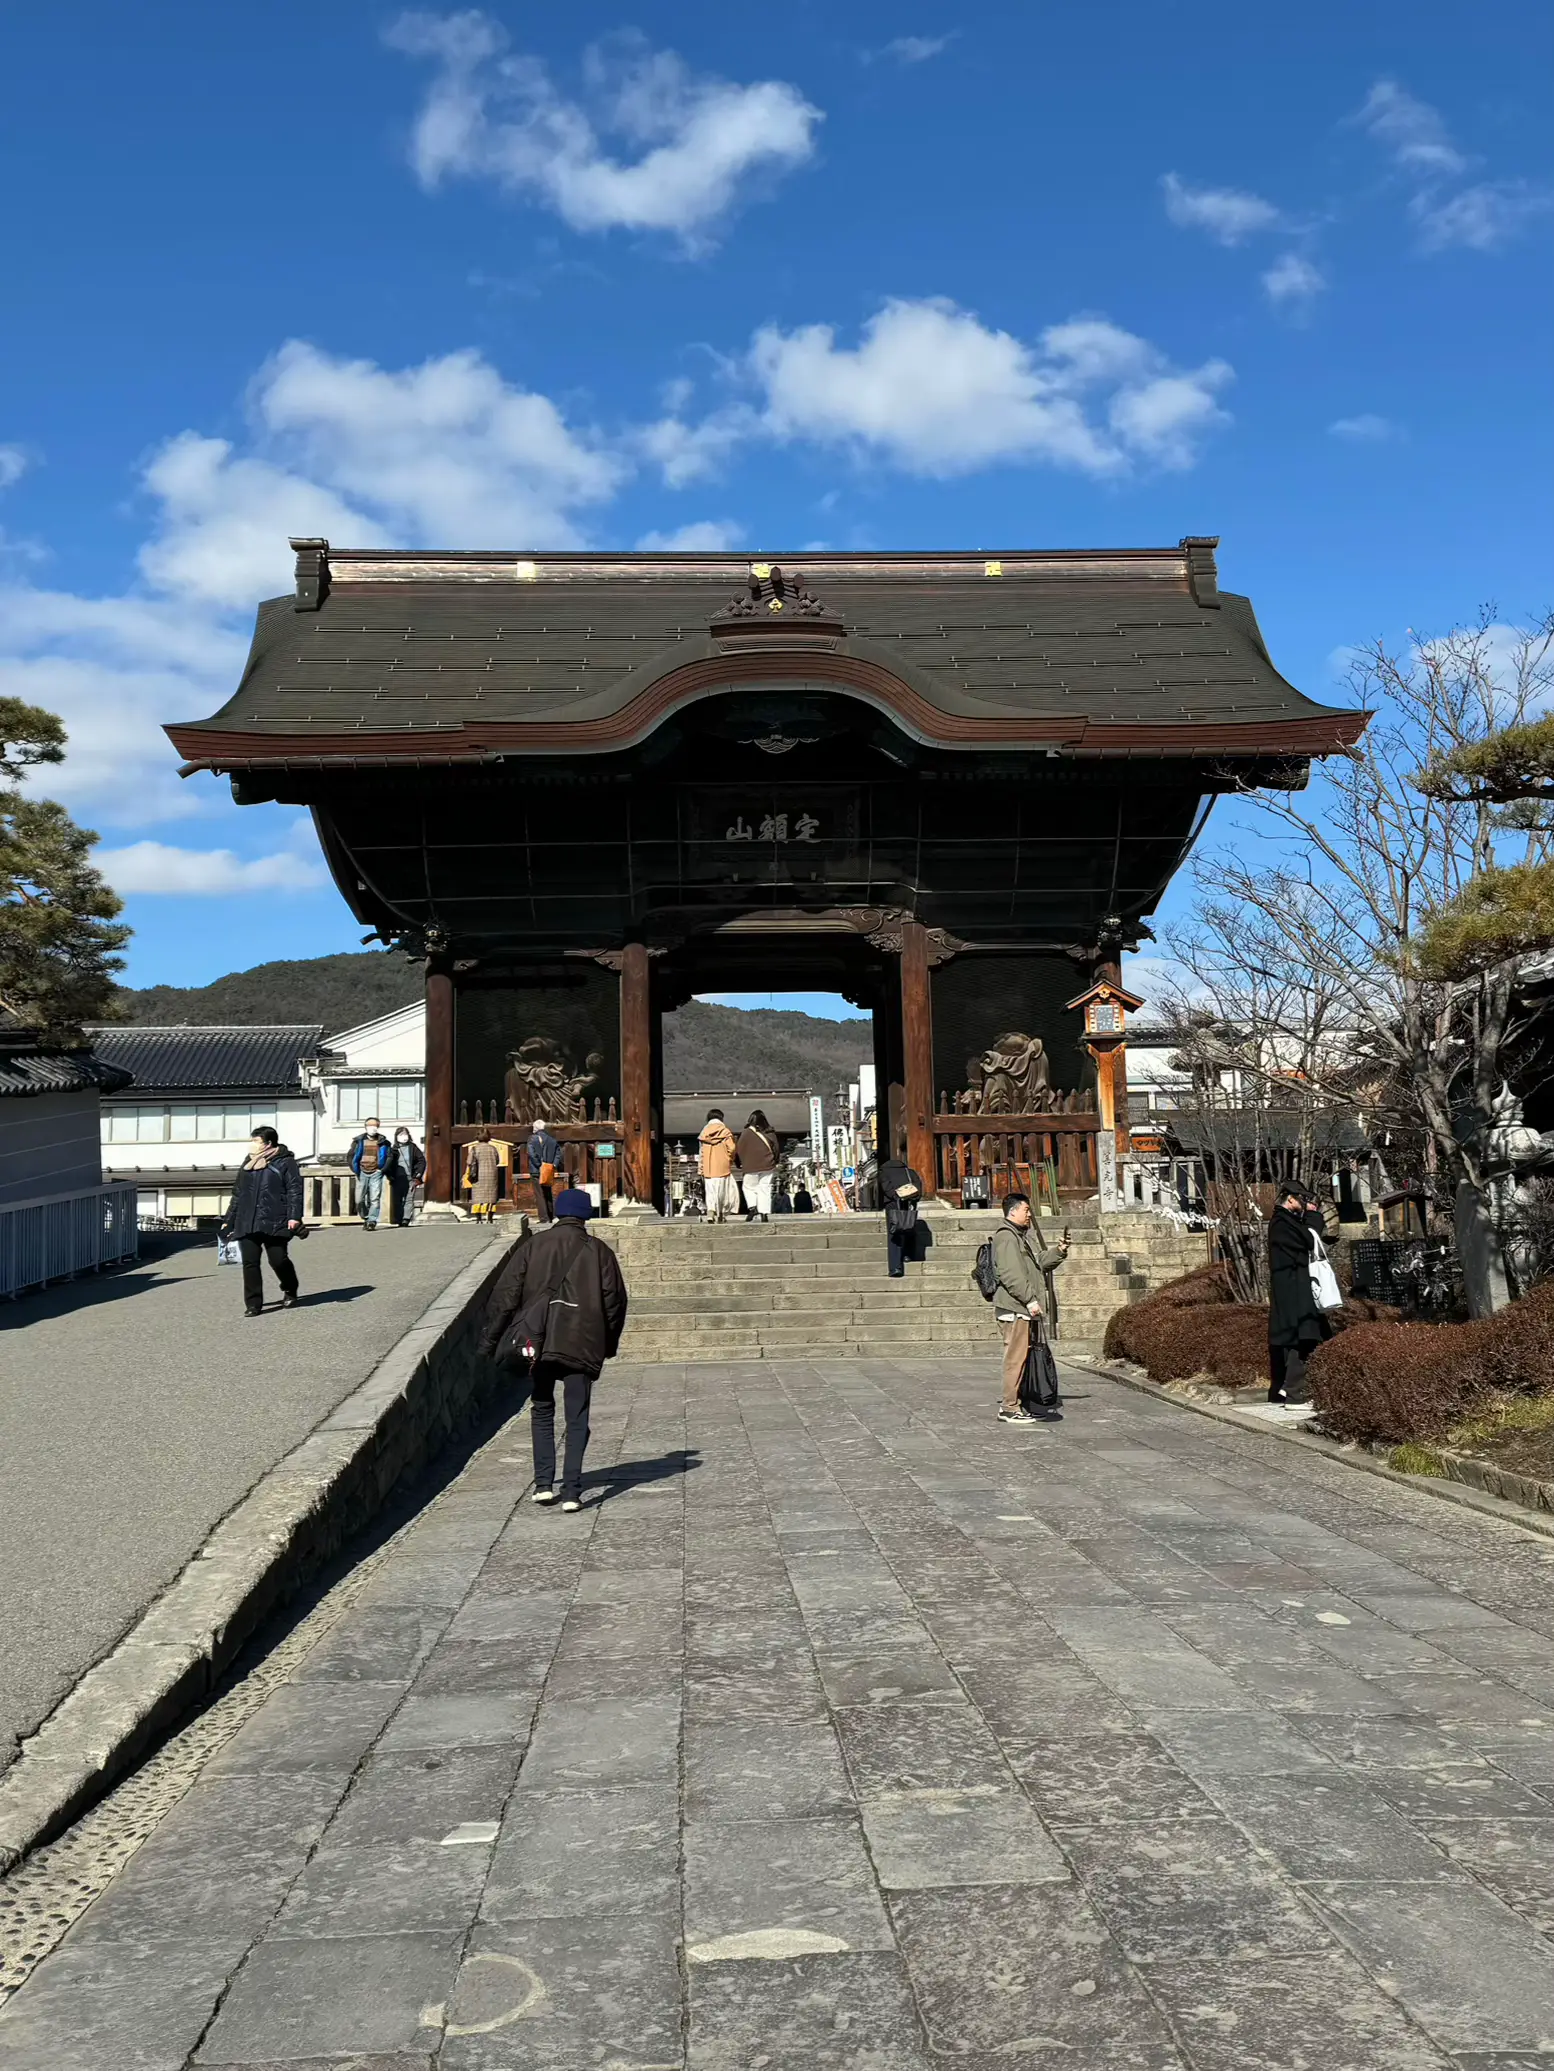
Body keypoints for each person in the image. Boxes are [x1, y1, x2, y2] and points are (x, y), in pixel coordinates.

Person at [480, 1186, 628, 1511]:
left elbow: (506, 1295)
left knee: (542, 1408)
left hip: (540, 1340)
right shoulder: (599, 1251)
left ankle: (544, 1484)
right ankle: (573, 1492)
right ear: (585, 1215)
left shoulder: (533, 1246)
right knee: (577, 1415)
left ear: (559, 1213)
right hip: (582, 1340)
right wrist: (608, 1343)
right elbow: (615, 1301)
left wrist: (490, 1341)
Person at [991, 1191, 1069, 1424]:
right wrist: (1029, 1300)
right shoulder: (1006, 1237)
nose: (1029, 1215)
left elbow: (1038, 1264)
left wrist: (1059, 1251)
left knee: (1022, 1357)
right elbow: (1010, 1274)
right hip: (1015, 1307)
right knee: (1015, 1358)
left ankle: (1019, 1403)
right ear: (1012, 1211)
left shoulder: (1021, 1237)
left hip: (1022, 1307)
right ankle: (1009, 1407)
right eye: (1026, 1210)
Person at [221, 1126, 303, 1318]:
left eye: (256, 1141)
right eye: (252, 1140)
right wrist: (228, 1220)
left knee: (278, 1260)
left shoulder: (285, 1162)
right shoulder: (247, 1163)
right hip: (247, 1220)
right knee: (250, 1263)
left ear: (268, 1143)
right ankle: (253, 1303)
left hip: (275, 1219)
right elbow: (238, 1193)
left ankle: (290, 1288)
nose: (252, 1144)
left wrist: (294, 1216)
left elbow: (294, 1190)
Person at [1268, 1181, 1328, 1406]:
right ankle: (1294, 1393)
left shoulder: (1286, 1221)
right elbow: (1309, 1240)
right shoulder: (1282, 1224)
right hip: (1293, 1291)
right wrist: (1313, 1218)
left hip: (1294, 1290)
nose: (1305, 1204)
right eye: (1302, 1199)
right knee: (1303, 1339)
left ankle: (1286, 1391)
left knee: (1302, 1338)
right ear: (1290, 1198)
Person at [876, 1143, 925, 1278]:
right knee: (909, 1227)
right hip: (909, 1203)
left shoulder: (883, 1172)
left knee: (894, 1233)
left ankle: (895, 1267)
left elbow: (886, 1189)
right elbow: (918, 1186)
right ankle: (909, 1254)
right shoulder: (909, 1172)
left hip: (893, 1204)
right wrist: (912, 1198)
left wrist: (896, 1196)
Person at [737, 1110, 781, 1221]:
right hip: (768, 1164)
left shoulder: (746, 1133)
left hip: (750, 1165)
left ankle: (753, 1207)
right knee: (765, 1188)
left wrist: (739, 1163)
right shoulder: (769, 1132)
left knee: (749, 1187)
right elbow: (776, 1149)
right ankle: (764, 1213)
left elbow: (738, 1150)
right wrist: (775, 1161)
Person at [698, 1109, 739, 1223]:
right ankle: (721, 1212)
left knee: (710, 1191)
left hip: (708, 1167)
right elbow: (732, 1148)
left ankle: (711, 1212)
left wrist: (700, 1169)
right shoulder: (725, 1132)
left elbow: (701, 1153)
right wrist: (729, 1158)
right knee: (722, 1191)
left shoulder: (703, 1133)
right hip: (722, 1166)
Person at [350, 1115, 390, 1231]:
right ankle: (366, 1216)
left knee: (374, 1198)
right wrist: (355, 1169)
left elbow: (389, 1157)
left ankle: (372, 1220)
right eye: (370, 1126)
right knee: (359, 1199)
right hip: (362, 1171)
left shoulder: (384, 1142)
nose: (372, 1128)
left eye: (375, 1126)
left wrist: (382, 1169)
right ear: (365, 1127)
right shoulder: (358, 1141)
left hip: (376, 1172)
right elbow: (351, 1156)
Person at [387, 1126, 426, 1226]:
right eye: (401, 1134)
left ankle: (406, 1218)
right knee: (398, 1199)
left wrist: (418, 1174)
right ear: (396, 1136)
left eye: (405, 1134)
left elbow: (421, 1160)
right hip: (398, 1178)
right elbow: (389, 1163)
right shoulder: (393, 1149)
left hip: (411, 1177)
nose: (403, 1136)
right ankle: (399, 1218)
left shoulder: (413, 1147)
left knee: (409, 1198)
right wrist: (389, 1175)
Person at [526, 1116, 562, 1223]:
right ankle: (552, 1216)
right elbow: (558, 1154)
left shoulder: (532, 1139)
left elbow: (531, 1153)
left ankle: (544, 1218)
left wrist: (538, 1164)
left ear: (535, 1128)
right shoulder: (552, 1140)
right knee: (548, 1192)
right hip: (548, 1170)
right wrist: (553, 1165)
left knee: (539, 1194)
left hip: (537, 1170)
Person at [464, 1127, 503, 1222]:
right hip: (491, 1175)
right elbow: (498, 1161)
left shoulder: (475, 1149)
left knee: (478, 1197)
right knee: (490, 1197)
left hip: (478, 1175)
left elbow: (469, 1162)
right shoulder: (493, 1149)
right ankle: (489, 1218)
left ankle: (479, 1218)